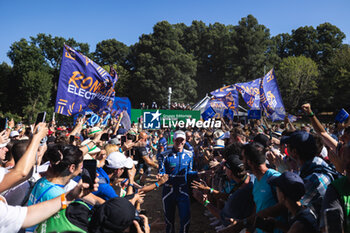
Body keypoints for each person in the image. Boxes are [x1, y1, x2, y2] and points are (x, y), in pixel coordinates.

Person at [158, 130, 196, 233]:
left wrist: (200, 174)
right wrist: (160, 176)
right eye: (177, 140)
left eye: (182, 140)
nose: (179, 142)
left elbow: (190, 172)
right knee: (169, 222)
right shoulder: (164, 155)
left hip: (183, 190)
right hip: (168, 191)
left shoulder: (190, 154)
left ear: (185, 140)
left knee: (185, 219)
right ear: (173, 140)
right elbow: (161, 171)